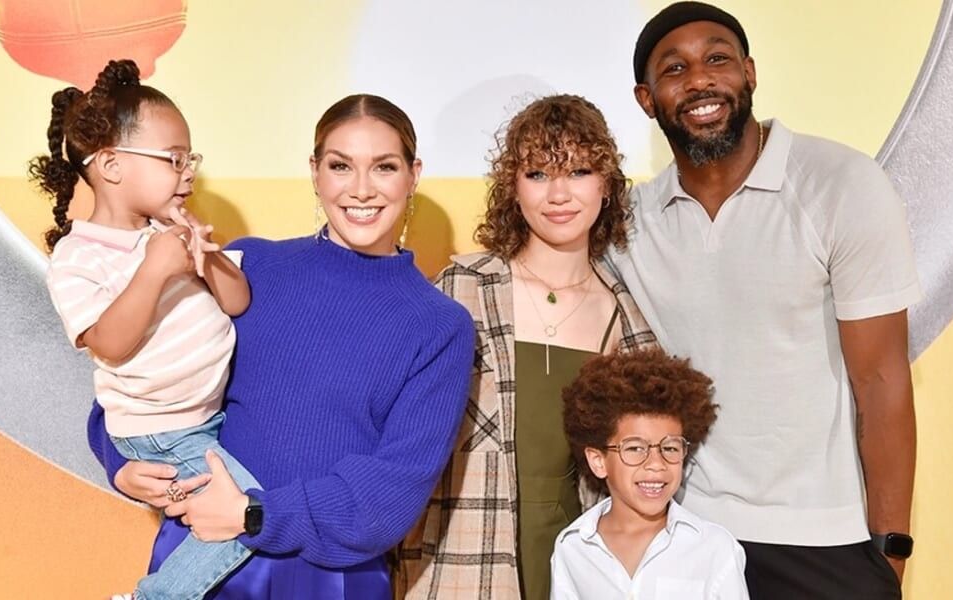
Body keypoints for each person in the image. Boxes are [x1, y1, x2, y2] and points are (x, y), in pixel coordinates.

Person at [86, 93, 475, 599]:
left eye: (383, 167)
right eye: (340, 166)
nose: (361, 189)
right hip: (203, 557)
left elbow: (393, 490)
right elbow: (138, 381)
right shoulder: (248, 268)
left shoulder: (440, 326)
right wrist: (123, 468)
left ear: (413, 174)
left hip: (329, 577)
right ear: (315, 172)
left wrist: (254, 513)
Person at [611, 2, 923, 598]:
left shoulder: (841, 185)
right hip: (686, 537)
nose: (700, 79)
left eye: (718, 59)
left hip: (826, 541)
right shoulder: (630, 225)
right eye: (674, 69)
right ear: (647, 101)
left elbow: (882, 381)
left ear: (749, 73)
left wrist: (890, 551)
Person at [396, 94, 657, 600]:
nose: (558, 194)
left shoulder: (627, 319)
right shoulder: (461, 287)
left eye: (579, 171)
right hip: (460, 555)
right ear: (512, 188)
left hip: (576, 563)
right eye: (538, 174)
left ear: (606, 184)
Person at [35, 59, 259, 600]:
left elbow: (238, 302)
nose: (189, 173)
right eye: (173, 159)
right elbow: (109, 344)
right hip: (160, 429)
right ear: (111, 165)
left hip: (203, 420)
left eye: (191, 159)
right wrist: (156, 269)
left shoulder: (171, 230)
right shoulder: (79, 256)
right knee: (247, 514)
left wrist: (207, 258)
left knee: (230, 514)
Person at [552, 347, 748, 599]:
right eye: (635, 448)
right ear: (598, 461)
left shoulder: (715, 548)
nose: (657, 464)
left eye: (669, 447)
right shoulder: (573, 548)